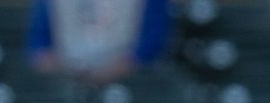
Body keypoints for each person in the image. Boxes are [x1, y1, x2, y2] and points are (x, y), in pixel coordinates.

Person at [28, 0, 169, 82]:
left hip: (131, 82)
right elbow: (39, 46)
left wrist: (127, 64)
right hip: (65, 82)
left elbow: (154, 40)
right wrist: (59, 68)